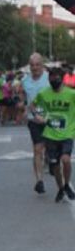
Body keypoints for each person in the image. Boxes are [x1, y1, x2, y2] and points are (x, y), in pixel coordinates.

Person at [31, 66, 75, 202]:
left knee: (66, 160)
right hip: (50, 134)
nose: (53, 80)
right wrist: (37, 115)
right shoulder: (44, 93)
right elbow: (33, 105)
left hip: (67, 132)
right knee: (55, 165)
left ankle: (67, 184)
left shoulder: (71, 94)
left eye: (56, 77)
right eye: (51, 78)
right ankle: (61, 188)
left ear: (62, 79)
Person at [16, 53, 50, 194]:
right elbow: (22, 96)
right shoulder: (25, 81)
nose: (35, 68)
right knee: (37, 149)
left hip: (50, 118)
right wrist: (22, 105)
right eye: (32, 65)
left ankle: (50, 159)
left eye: (37, 65)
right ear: (29, 66)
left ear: (42, 65)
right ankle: (39, 181)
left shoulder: (49, 78)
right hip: (34, 119)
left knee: (50, 149)